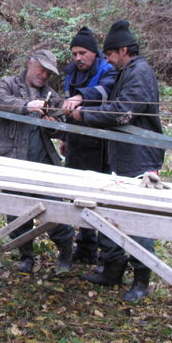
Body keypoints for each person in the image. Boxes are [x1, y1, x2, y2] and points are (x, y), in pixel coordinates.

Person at [66, 20, 165, 303]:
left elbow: (122, 113)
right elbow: (109, 103)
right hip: (120, 156)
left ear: (123, 50)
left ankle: (141, 279)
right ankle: (112, 269)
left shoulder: (140, 73)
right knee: (112, 213)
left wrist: (83, 114)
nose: (107, 60)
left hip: (139, 159)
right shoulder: (126, 72)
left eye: (109, 54)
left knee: (137, 220)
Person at [0, 49, 75, 275]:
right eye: (41, 69)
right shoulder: (8, 85)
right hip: (11, 161)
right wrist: (28, 106)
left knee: (55, 210)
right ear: (30, 63)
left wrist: (53, 126)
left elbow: (61, 127)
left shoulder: (51, 95)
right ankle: (26, 255)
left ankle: (66, 254)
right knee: (16, 212)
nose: (44, 76)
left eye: (49, 73)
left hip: (43, 163)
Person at [58, 27, 117, 266]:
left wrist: (81, 97)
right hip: (75, 142)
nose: (78, 58)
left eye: (82, 53)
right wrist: (64, 137)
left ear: (94, 53)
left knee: (99, 200)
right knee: (77, 197)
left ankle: (107, 254)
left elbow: (105, 92)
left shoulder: (107, 70)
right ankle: (85, 246)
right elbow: (67, 110)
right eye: (74, 54)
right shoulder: (70, 74)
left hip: (99, 146)